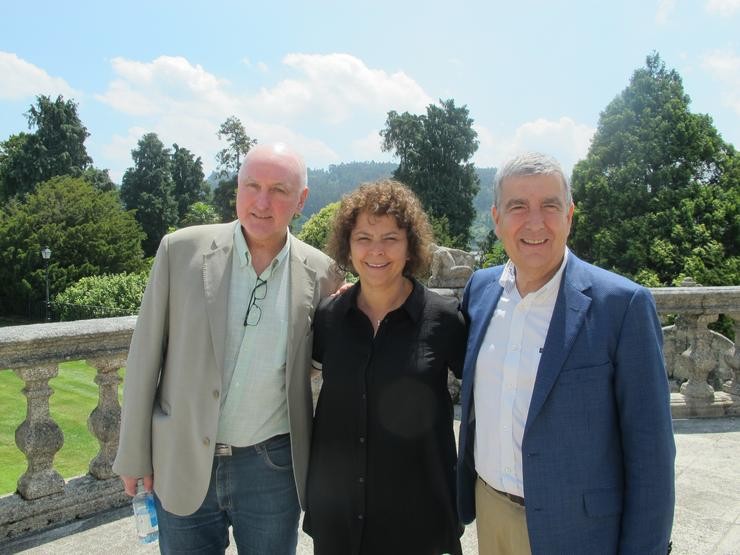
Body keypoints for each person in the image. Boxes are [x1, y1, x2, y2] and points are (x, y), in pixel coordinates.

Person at [113, 143, 344, 554]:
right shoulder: (179, 250)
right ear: (236, 187)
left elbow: (319, 360)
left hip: (272, 469)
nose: (261, 202)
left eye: (278, 190)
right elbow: (144, 358)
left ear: (302, 200)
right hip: (181, 457)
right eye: (251, 185)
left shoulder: (322, 272)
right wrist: (133, 454)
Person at [457, 152, 675, 554]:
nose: (535, 222)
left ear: (570, 215)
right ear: (496, 218)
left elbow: (652, 455)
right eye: (518, 206)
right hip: (490, 515)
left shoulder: (622, 306)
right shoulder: (481, 291)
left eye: (550, 206)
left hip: (580, 531)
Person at [303, 179, 467, 555]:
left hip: (418, 522)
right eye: (363, 238)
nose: (376, 251)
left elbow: (480, 401)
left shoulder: (443, 319)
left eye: (391, 238)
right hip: (339, 521)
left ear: (411, 246)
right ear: (348, 245)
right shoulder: (329, 317)